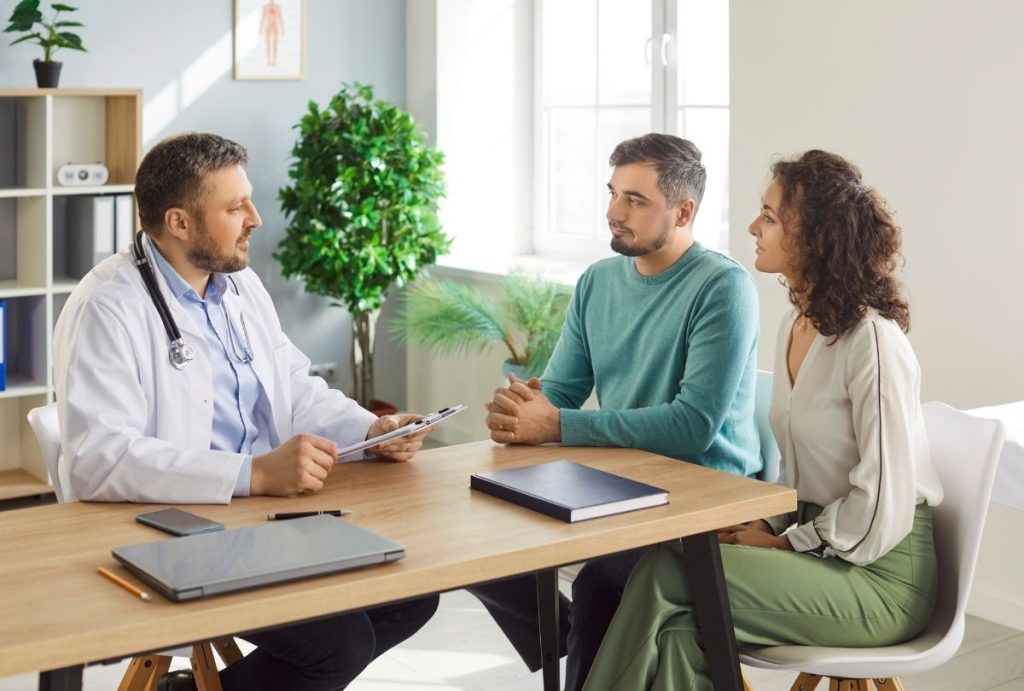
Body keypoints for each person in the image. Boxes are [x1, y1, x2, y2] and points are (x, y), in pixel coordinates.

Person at [53, 132, 438, 691]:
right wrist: (252, 473)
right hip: (168, 530)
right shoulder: (107, 307)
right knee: (339, 643)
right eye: (235, 208)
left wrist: (369, 428)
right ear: (179, 223)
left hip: (255, 522)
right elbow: (99, 459)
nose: (255, 218)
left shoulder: (238, 287)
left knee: (410, 594)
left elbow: (290, 386)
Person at [581, 150, 945, 690]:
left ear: (815, 237)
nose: (753, 226)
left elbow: (880, 509)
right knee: (681, 633)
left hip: (881, 578)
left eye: (770, 218)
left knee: (666, 574)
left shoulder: (871, 342)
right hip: (828, 555)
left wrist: (785, 543)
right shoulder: (798, 326)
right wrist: (770, 523)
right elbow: (801, 477)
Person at [467, 133, 761, 689]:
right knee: (475, 539)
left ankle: (587, 644)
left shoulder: (722, 288)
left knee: (601, 584)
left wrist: (554, 425)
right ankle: (578, 637)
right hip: (619, 483)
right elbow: (562, 389)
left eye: (635, 200)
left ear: (684, 210)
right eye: (613, 194)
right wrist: (522, 411)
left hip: (700, 495)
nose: (613, 213)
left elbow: (693, 426)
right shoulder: (599, 281)